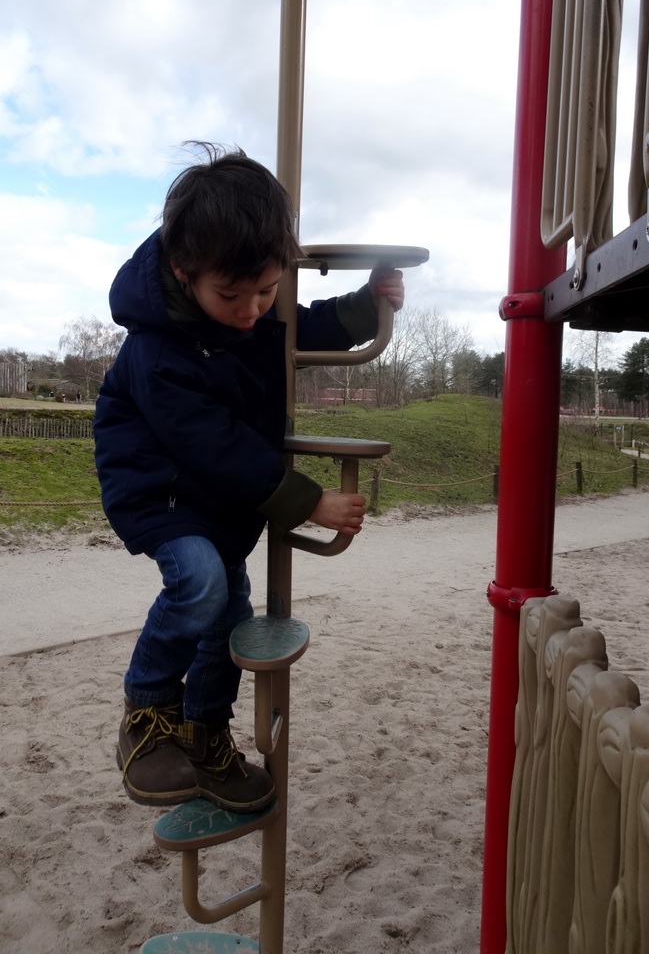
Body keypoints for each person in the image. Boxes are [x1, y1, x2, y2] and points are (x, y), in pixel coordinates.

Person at [94, 143, 405, 814]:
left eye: (266, 291)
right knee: (202, 584)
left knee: (228, 617)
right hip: (164, 488)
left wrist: (363, 307)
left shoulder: (248, 309)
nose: (250, 310)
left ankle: (205, 737)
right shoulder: (156, 350)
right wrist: (309, 502)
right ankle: (145, 713)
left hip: (215, 496)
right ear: (183, 271)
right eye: (231, 296)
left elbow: (293, 332)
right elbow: (215, 444)